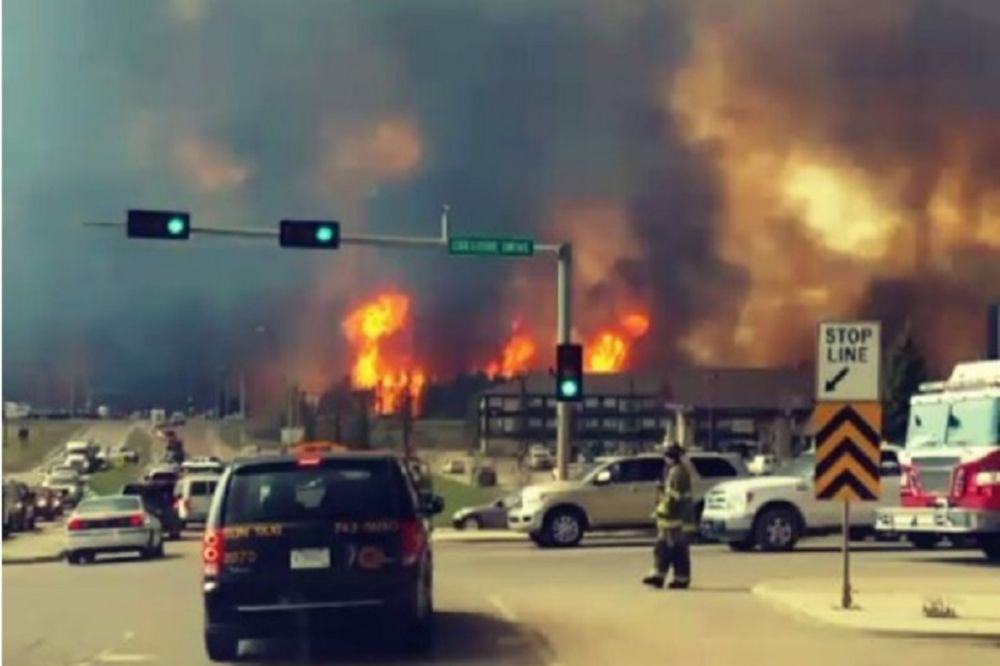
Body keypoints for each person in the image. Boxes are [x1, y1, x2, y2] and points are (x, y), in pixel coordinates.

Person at [642, 442, 696, 589]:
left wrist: (663, 492)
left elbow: (675, 496)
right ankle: (658, 575)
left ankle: (680, 579)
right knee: (663, 548)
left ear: (671, 456)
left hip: (675, 519)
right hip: (669, 518)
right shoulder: (675, 471)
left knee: (676, 550)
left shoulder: (678, 472)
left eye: (666, 455)